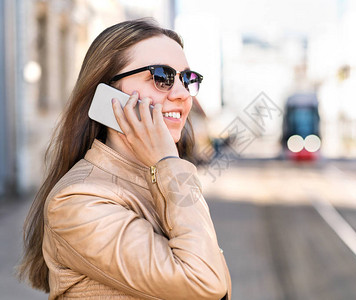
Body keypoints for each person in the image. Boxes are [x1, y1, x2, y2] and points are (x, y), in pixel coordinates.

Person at [18, 18, 232, 300]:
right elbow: (204, 281)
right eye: (161, 76)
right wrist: (168, 162)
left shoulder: (159, 180)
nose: (181, 94)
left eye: (187, 79)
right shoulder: (78, 201)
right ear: (108, 94)